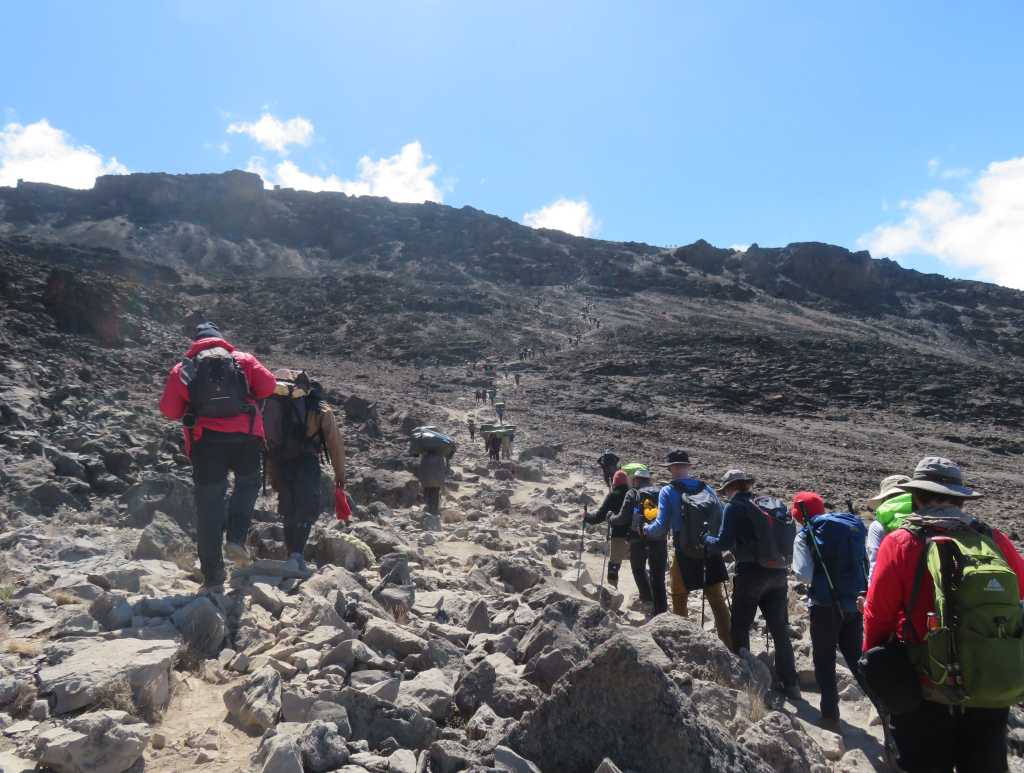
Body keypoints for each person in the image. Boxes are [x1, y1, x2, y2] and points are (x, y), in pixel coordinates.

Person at [864, 457, 1024, 772]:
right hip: (987, 683)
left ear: (916, 497)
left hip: (925, 687)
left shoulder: (902, 541)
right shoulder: (992, 539)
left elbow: (877, 615)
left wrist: (876, 663)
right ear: (961, 499)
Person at [159, 322, 276, 593]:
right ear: (221, 341)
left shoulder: (184, 368)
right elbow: (268, 386)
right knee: (247, 485)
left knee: (209, 508)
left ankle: (213, 577)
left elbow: (169, 410)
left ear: (196, 343)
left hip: (206, 443)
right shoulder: (243, 360)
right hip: (246, 439)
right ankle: (236, 537)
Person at [704, 469, 794, 687]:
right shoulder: (767, 504)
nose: (725, 494)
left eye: (725, 490)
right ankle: (792, 684)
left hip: (751, 574)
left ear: (731, 488)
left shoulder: (734, 507)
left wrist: (706, 538)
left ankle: (748, 682)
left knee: (741, 626)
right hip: (779, 572)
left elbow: (723, 543)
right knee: (779, 629)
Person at [791, 491, 867, 730]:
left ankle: (830, 715)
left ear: (797, 513)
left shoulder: (807, 533)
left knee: (824, 660)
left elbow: (803, 574)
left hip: (824, 605)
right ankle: (884, 708)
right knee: (856, 659)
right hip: (854, 601)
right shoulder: (847, 525)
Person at [645, 450, 730, 648]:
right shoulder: (706, 488)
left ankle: (684, 646)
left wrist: (645, 529)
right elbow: (721, 515)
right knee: (717, 600)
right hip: (710, 550)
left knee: (679, 598)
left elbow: (660, 527)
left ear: (672, 468)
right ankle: (729, 644)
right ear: (689, 467)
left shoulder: (667, 491)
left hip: (684, 552)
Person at [263, 370, 346, 570]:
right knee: (306, 508)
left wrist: (268, 473)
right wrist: (340, 475)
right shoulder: (319, 407)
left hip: (280, 461)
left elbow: (264, 438)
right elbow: (334, 444)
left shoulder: (272, 403)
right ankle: (297, 556)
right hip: (307, 461)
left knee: (288, 508)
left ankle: (291, 556)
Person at [614, 467, 667, 614]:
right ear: (649, 479)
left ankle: (647, 599)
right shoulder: (661, 492)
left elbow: (622, 518)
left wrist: (610, 518)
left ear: (636, 480)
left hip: (638, 539)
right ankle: (661, 610)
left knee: (638, 569)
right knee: (658, 576)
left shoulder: (632, 493)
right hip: (659, 538)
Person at [586, 470, 631, 587]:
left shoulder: (613, 495)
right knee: (638, 568)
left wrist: (587, 517)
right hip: (635, 536)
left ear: (614, 482)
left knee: (613, 567)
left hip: (618, 536)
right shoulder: (633, 493)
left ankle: (612, 591)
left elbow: (599, 516)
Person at [864, 474, 912, 582]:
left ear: (885, 497)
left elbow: (875, 564)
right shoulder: (924, 515)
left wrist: (869, 596)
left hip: (892, 586)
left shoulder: (878, 525)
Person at [417, 448, 448, 516]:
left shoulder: (424, 457)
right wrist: (442, 482)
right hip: (436, 481)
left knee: (427, 496)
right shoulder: (440, 457)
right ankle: (434, 512)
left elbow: (421, 469)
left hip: (426, 481)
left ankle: (427, 511)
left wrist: (421, 480)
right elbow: (442, 470)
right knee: (435, 497)